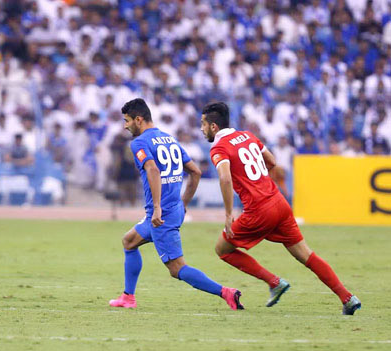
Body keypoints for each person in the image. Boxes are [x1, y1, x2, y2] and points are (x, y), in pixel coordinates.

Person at [200, 102, 361, 315]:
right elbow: (272, 161)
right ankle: (347, 297)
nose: (201, 129)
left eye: (202, 124)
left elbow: (225, 179)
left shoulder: (219, 147)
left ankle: (273, 282)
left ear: (213, 126)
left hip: (258, 210)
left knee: (222, 249)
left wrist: (229, 213)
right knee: (306, 254)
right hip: (279, 202)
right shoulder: (248, 136)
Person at [109, 98, 243, 310]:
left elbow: (152, 170)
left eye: (126, 121)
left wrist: (158, 207)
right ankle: (128, 297)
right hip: (170, 211)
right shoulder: (169, 139)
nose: (125, 126)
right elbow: (195, 172)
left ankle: (226, 292)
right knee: (129, 241)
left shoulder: (139, 143)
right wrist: (183, 205)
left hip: (160, 216)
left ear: (138, 119)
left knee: (176, 268)